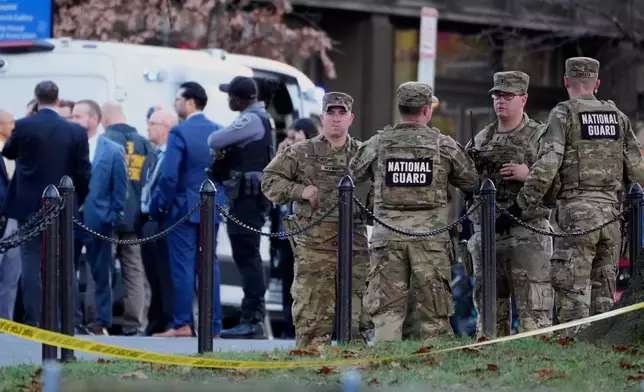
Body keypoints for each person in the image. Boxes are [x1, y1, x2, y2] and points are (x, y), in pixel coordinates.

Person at [502, 57, 644, 335]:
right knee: (605, 298)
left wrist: (522, 204)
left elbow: (548, 165)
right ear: (597, 83)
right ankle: (602, 356)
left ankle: (572, 353)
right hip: (611, 219)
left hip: (576, 217)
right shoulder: (618, 118)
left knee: (572, 295)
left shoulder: (563, 113)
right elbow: (637, 174)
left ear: (566, 81)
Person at [349, 82, 479, 342]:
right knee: (433, 315)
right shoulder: (443, 145)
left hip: (387, 238)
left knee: (387, 313)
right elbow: (472, 181)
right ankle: (430, 371)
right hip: (430, 242)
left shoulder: (379, 143)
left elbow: (353, 173)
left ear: (400, 109)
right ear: (426, 110)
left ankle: (384, 370)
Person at [262, 92, 372, 347]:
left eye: (341, 113)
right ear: (322, 117)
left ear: (351, 118)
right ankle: (310, 368)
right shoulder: (301, 152)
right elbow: (269, 181)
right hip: (314, 247)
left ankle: (353, 372)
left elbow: (383, 187)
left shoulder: (364, 154)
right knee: (312, 317)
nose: (336, 119)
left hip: (354, 247)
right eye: (330, 113)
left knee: (358, 316)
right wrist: (299, 191)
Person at [465, 71, 554, 337]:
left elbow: (556, 182)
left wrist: (529, 174)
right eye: (496, 95)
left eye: (507, 96)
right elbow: (466, 184)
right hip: (489, 236)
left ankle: (538, 371)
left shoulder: (540, 136)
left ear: (523, 99)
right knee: (490, 316)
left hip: (528, 235)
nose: (500, 101)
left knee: (534, 317)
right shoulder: (482, 138)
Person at [2, 80, 91, 327]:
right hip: (63, 206)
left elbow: (8, 152)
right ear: (58, 99)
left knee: (31, 264)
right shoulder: (75, 131)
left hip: (28, 207)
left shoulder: (24, 126)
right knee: (64, 263)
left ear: (36, 97)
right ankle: (69, 321)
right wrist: (77, 200)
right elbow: (83, 171)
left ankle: (35, 320)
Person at [151, 82, 222, 338]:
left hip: (182, 208)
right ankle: (213, 326)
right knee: (209, 266)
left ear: (191, 102)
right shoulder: (218, 130)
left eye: (178, 99)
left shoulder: (179, 132)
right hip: (211, 206)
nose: (175, 103)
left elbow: (169, 176)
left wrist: (159, 205)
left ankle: (183, 324)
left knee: (182, 267)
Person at [208, 76, 274, 339]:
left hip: (248, 199)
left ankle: (252, 319)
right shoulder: (260, 118)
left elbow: (215, 139)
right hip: (246, 198)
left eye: (230, 95)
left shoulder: (251, 118)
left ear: (238, 98)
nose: (227, 100)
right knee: (247, 256)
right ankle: (252, 318)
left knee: (248, 258)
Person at [71, 99, 128, 336]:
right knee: (66, 269)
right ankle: (71, 318)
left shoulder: (112, 150)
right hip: (71, 218)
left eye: (78, 116)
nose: (73, 120)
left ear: (94, 119)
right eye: (73, 116)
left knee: (101, 271)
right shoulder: (69, 146)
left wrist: (111, 215)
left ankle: (101, 321)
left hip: (99, 220)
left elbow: (120, 188)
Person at [102, 101, 155, 336]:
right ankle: (134, 323)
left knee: (102, 270)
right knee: (134, 271)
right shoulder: (144, 143)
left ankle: (98, 321)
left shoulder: (104, 141)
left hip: (108, 218)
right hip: (135, 220)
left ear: (105, 119)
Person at [268, 117, 319, 340]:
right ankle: (288, 328)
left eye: (293, 136)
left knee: (306, 283)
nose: (288, 141)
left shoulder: (313, 160)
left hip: (305, 232)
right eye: (287, 137)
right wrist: (280, 157)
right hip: (284, 232)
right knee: (287, 281)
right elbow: (272, 186)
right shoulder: (285, 160)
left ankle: (305, 328)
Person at [140, 108, 177, 335]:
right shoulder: (153, 155)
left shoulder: (171, 155)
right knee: (151, 274)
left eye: (152, 123)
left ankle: (167, 319)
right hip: (148, 221)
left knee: (165, 274)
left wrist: (157, 210)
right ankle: (154, 322)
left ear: (165, 127)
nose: (148, 127)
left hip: (163, 221)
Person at [0, 109, 18, 320]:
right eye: (11, 123)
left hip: (17, 220)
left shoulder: (16, 152)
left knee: (11, 277)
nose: (15, 127)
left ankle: (6, 324)